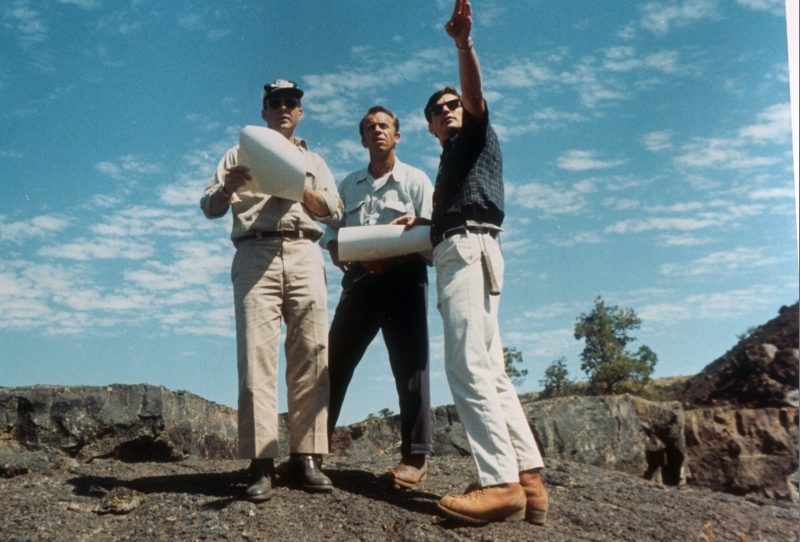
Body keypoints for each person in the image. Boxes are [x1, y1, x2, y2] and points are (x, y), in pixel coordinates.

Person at [393, 0, 549, 525]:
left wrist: (464, 45)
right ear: (430, 126)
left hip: (465, 251)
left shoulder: (474, 134)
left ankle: (498, 483)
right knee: (493, 370)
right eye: (438, 109)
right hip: (474, 245)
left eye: (452, 103)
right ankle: (529, 479)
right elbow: (454, 208)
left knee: (465, 364)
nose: (447, 110)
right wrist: (421, 225)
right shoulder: (453, 161)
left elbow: (477, 95)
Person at [200, 80, 343, 501]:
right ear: (263, 111)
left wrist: (301, 188)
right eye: (274, 102)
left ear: (300, 112)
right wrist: (228, 187)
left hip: (303, 250)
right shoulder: (236, 154)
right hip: (254, 251)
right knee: (256, 356)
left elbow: (334, 210)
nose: (283, 108)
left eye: (291, 103)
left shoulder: (313, 158)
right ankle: (261, 462)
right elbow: (208, 205)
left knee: (312, 353)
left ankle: (307, 458)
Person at [321, 106, 434, 489]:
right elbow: (331, 234)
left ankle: (415, 458)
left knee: (411, 366)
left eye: (384, 126)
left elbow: (434, 238)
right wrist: (342, 254)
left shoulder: (416, 181)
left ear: (397, 136)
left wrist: (396, 255)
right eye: (370, 127)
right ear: (363, 139)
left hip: (404, 278)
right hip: (359, 282)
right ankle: (311, 452)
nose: (377, 131)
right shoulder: (349, 184)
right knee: (333, 362)